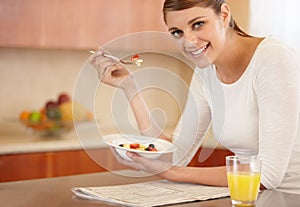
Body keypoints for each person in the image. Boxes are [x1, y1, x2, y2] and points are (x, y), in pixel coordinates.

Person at [89, 0, 300, 194]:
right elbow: (175, 155)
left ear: (224, 14)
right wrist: (130, 87)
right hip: (247, 198)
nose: (188, 41)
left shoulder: (272, 59)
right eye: (177, 32)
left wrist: (173, 173)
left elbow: (268, 175)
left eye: (198, 24)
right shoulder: (206, 71)